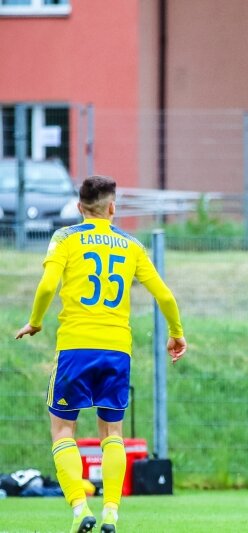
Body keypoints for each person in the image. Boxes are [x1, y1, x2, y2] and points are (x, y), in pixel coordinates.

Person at [14, 176, 187, 533]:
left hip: (75, 348)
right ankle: (111, 513)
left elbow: (47, 286)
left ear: (79, 208)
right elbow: (165, 296)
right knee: (112, 432)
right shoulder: (132, 245)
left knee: (63, 428)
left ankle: (80, 510)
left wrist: (35, 322)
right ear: (112, 208)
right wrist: (176, 333)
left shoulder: (65, 237)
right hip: (116, 350)